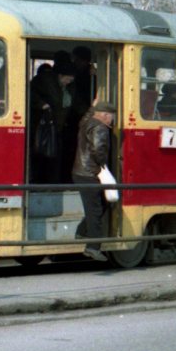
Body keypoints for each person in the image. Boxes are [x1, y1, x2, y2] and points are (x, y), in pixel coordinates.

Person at [72, 101, 117, 262]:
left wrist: (91, 107)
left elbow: (84, 118)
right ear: (105, 115)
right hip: (90, 173)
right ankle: (93, 248)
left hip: (80, 172)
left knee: (100, 205)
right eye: (112, 117)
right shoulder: (100, 128)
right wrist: (102, 166)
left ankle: (81, 231)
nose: (112, 120)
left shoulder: (87, 122)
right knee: (95, 211)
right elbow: (99, 149)